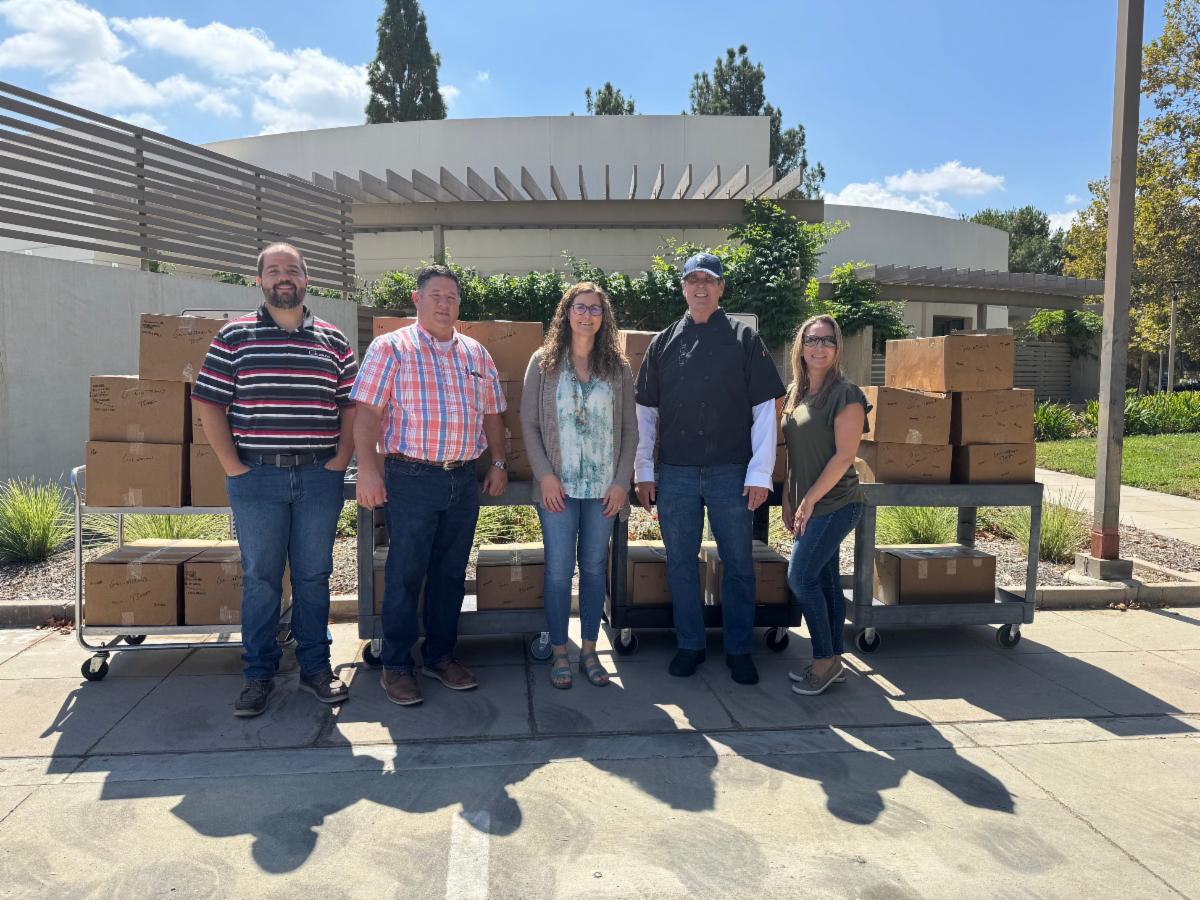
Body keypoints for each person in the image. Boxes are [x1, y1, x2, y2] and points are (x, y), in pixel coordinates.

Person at [193, 242, 358, 718]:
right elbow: (208, 403)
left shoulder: (334, 340)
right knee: (262, 578)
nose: (283, 277)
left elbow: (352, 406)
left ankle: (316, 668)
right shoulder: (234, 336)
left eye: (292, 270)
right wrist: (232, 465)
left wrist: (341, 459)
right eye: (274, 270)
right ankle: (258, 675)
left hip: (318, 476)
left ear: (306, 279)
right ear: (260, 280)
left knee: (314, 575)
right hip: (257, 476)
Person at [352, 264, 508, 707]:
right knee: (406, 573)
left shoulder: (476, 354)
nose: (444, 303)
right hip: (412, 477)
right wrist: (368, 470)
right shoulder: (391, 348)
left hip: (462, 477)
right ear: (417, 300)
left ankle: (440, 656)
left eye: (452, 297)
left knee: (450, 574)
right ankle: (397, 665)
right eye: (436, 295)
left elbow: (493, 413)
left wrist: (497, 462)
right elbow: (367, 413)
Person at [634, 252, 786, 685]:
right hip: (676, 473)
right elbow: (645, 412)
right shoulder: (663, 342)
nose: (700, 287)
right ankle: (690, 645)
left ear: (721, 288)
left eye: (709, 280)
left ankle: (739, 649)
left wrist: (760, 474)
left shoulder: (744, 339)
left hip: (731, 473)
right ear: (683, 288)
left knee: (738, 563)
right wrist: (644, 470)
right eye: (693, 280)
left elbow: (765, 410)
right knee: (680, 564)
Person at [521, 282, 637, 689]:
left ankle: (589, 650)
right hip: (558, 490)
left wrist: (621, 482)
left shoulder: (618, 368)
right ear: (567, 312)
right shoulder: (543, 362)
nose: (587, 315)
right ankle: (559, 650)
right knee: (558, 571)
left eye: (595, 309)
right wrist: (545, 475)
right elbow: (529, 424)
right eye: (580, 307)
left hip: (604, 491)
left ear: (604, 318)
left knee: (592, 569)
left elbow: (630, 430)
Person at [780, 314, 869, 696]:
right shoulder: (795, 392)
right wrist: (788, 497)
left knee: (800, 577)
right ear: (801, 346)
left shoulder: (846, 395)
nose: (820, 347)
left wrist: (809, 501)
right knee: (826, 581)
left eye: (828, 341)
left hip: (836, 503)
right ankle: (834, 660)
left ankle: (822, 661)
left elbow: (844, 456)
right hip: (809, 502)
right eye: (812, 340)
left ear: (837, 348)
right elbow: (793, 451)